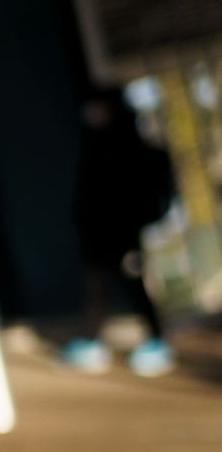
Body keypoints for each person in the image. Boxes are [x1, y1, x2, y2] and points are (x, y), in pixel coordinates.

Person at [66, 88, 177, 377]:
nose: (92, 115)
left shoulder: (126, 146)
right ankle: (94, 342)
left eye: (97, 108)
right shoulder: (95, 144)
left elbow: (136, 193)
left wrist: (137, 222)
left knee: (134, 287)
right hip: (97, 236)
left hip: (123, 235)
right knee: (98, 289)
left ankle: (156, 342)